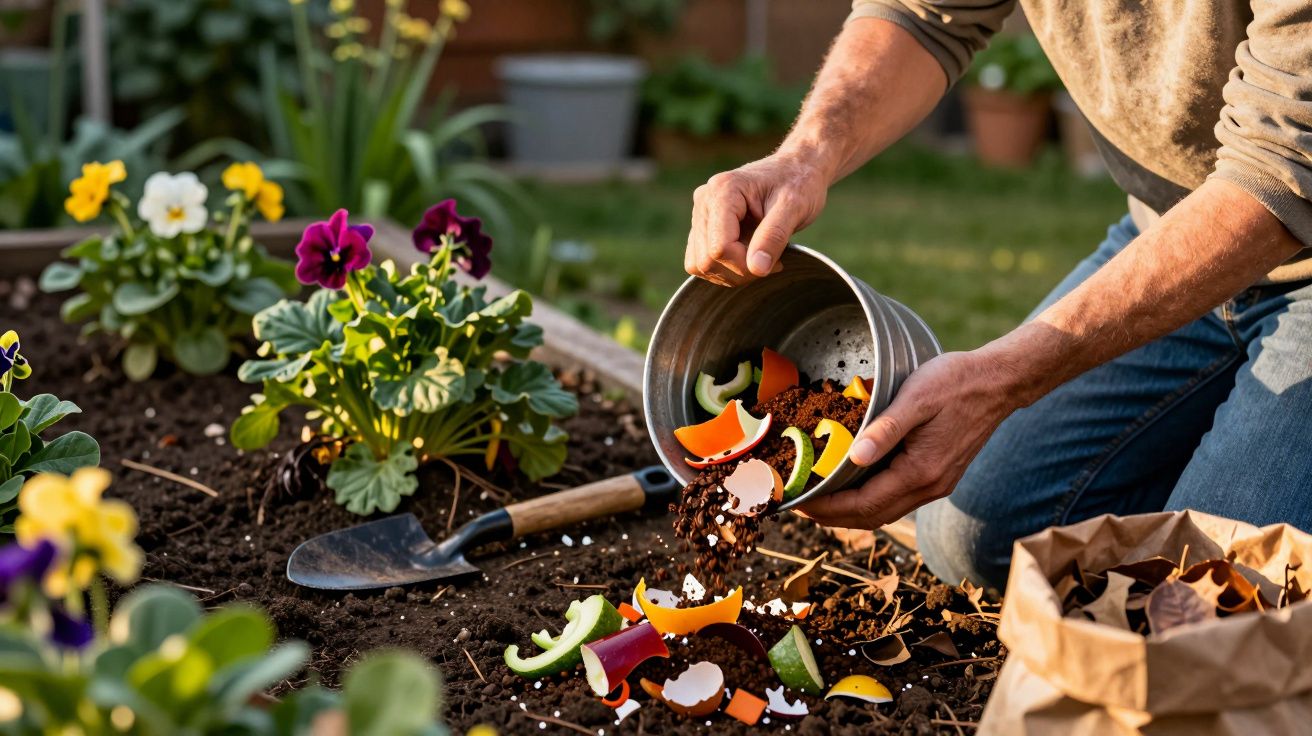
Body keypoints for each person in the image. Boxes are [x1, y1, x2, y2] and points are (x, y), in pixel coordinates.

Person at [683, 2, 1312, 589]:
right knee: (972, 537)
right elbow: (924, 14)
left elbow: (1281, 167)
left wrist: (1003, 378)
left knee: (1224, 602)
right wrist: (802, 159)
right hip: (1167, 226)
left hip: (1290, 233)